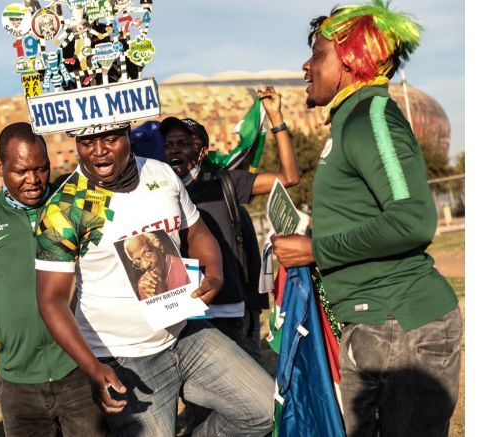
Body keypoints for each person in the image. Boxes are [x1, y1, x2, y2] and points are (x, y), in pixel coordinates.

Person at [271, 3, 461, 436]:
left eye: (318, 53)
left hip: (401, 327)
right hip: (376, 326)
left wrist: (315, 249)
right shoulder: (349, 122)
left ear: (351, 59)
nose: (306, 64)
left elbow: (412, 219)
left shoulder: (371, 120)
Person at [34, 124, 275, 436]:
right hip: (124, 357)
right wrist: (92, 368)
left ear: (127, 136)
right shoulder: (65, 208)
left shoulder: (160, 173)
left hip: (186, 332)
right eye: (87, 141)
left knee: (265, 410)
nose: (99, 150)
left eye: (109, 138)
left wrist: (214, 273)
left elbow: (197, 230)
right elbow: (51, 300)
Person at [0, 122, 107, 437]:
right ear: (0, 167)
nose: (33, 180)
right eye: (21, 171)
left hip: (80, 371)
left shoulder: (75, 203)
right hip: (18, 386)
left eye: (42, 169)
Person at [159, 86, 299, 357]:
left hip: (230, 312)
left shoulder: (226, 182)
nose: (174, 149)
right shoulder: (161, 191)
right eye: (170, 144)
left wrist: (276, 119)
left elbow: (289, 177)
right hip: (185, 314)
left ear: (202, 151)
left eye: (184, 143)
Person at [123, 232, 189, 299]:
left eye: (147, 254)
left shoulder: (188, 267)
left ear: (160, 247)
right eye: (138, 261)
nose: (145, 266)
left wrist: (161, 295)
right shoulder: (144, 283)